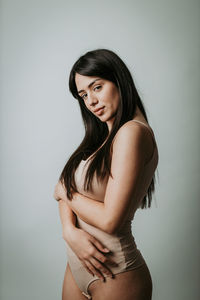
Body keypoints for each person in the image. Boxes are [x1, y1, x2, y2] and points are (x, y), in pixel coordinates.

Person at [53, 48, 159, 300]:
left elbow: (111, 220)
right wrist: (69, 230)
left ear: (118, 80)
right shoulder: (103, 140)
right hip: (78, 267)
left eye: (97, 87)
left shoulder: (132, 133)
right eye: (83, 94)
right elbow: (67, 186)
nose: (90, 101)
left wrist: (64, 193)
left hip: (116, 275)